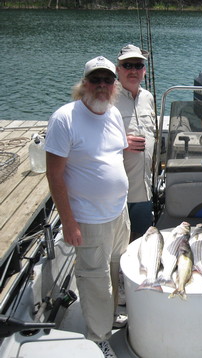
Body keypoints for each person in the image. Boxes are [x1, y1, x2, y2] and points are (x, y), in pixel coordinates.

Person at [45, 56, 130, 358]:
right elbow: (54, 175)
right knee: (95, 281)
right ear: (84, 85)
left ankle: (110, 316)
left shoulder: (114, 114)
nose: (103, 86)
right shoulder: (64, 118)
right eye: (96, 80)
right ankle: (98, 337)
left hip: (119, 213)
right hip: (89, 218)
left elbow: (115, 157)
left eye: (108, 80)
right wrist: (69, 222)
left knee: (115, 269)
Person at [114, 44, 156, 242]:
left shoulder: (148, 97)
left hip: (143, 188)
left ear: (144, 71)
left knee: (141, 240)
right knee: (119, 241)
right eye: (127, 65)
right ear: (118, 70)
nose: (133, 70)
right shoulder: (107, 98)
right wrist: (121, 142)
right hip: (116, 192)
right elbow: (91, 139)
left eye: (138, 66)